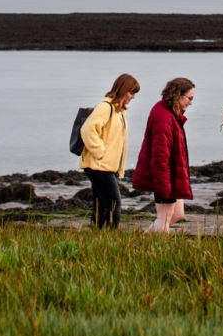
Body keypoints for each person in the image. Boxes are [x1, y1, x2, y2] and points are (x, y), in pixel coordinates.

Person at [132, 77, 195, 232]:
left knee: (177, 215)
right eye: (190, 98)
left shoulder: (171, 112)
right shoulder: (163, 116)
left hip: (173, 176)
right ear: (178, 95)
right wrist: (163, 186)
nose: (191, 102)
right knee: (164, 218)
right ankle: (152, 247)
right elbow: (160, 156)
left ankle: (145, 239)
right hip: (164, 178)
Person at [79, 73, 139, 229]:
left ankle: (98, 238)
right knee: (114, 203)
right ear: (123, 89)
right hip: (99, 166)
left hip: (107, 167)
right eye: (131, 93)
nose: (133, 97)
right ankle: (110, 238)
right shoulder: (105, 107)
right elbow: (87, 130)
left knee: (101, 204)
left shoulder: (118, 110)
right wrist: (101, 153)